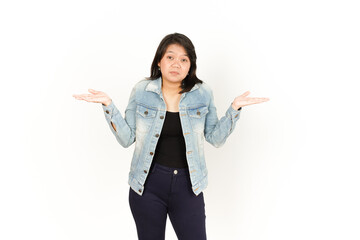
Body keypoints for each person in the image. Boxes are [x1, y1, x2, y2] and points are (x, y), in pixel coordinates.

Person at [73, 33, 269, 240]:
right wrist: (108, 106)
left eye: (184, 59)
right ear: (159, 61)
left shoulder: (203, 93)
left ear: (190, 66)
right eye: (170, 57)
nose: (177, 64)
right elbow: (126, 138)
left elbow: (215, 138)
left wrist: (234, 109)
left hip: (188, 186)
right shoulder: (142, 91)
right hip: (147, 186)